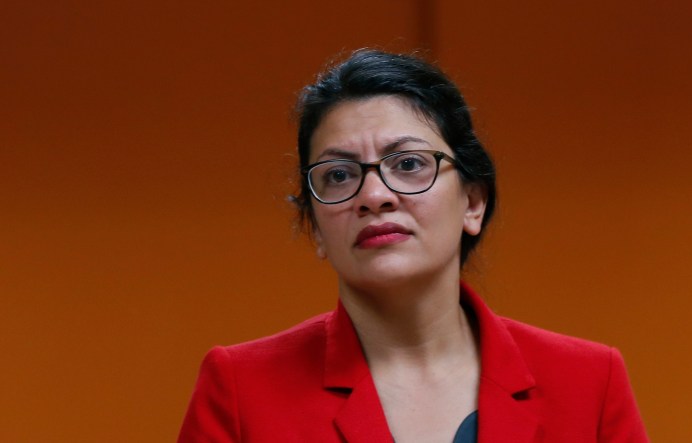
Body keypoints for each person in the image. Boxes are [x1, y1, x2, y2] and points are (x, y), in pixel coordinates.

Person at [178, 49, 649, 443]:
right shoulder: (241, 389)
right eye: (338, 175)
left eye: (408, 163)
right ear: (316, 229)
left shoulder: (588, 383)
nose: (374, 196)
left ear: (473, 201)